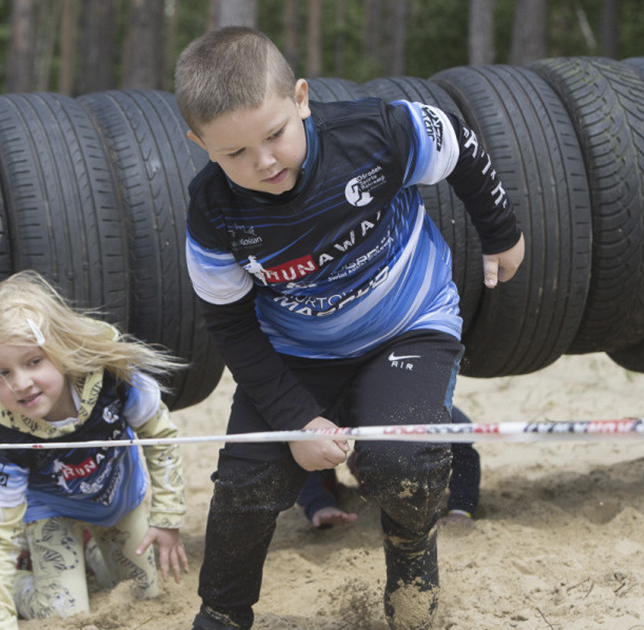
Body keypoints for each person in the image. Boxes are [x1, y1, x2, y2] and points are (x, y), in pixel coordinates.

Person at [175, 27, 524, 630]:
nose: (263, 162)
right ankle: (222, 614)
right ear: (199, 143)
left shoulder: (376, 132)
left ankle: (412, 575)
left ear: (302, 99)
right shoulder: (212, 211)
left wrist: (502, 232)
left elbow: (459, 142)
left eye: (275, 135)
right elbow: (229, 325)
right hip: (296, 351)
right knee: (247, 481)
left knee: (402, 463)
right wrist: (297, 419)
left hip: (410, 325)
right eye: (233, 153)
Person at [0, 270, 190, 630]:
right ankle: (17, 583)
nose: (20, 383)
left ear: (60, 350)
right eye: (1, 373)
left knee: (143, 594)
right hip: (50, 509)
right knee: (66, 615)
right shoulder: (5, 432)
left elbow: (160, 437)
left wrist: (167, 518)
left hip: (117, 495)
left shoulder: (114, 377)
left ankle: (88, 551)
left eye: (34, 361)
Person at [297, 405, 482, 530]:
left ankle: (383, 463)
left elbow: (464, 444)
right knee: (314, 441)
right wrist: (320, 505)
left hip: (404, 397)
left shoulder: (426, 403)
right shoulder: (331, 400)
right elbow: (307, 445)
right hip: (338, 388)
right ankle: (368, 466)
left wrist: (461, 509)